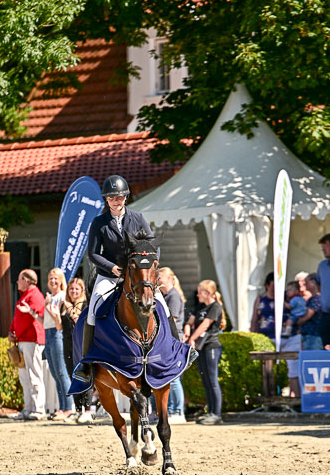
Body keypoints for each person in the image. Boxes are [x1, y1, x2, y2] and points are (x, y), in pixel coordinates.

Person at [74, 174, 174, 383]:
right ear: (106, 200)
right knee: (92, 310)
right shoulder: (99, 223)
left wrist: (149, 271)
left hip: (138, 277)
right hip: (110, 276)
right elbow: (93, 254)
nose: (116, 201)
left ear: (125, 197)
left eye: (119, 197)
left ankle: (176, 350)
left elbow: (152, 247)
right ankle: (86, 364)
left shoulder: (137, 218)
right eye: (112, 198)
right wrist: (112, 268)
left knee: (163, 306)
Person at [184, 279, 226, 425]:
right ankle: (210, 412)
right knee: (206, 380)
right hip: (200, 346)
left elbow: (205, 325)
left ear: (208, 293)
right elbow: (190, 322)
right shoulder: (200, 307)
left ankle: (216, 413)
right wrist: (188, 332)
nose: (197, 295)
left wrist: (192, 339)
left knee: (212, 380)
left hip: (211, 346)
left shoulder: (215, 307)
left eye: (200, 292)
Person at [53, 277, 93, 424]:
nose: (73, 291)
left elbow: (78, 320)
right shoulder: (64, 305)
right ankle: (78, 410)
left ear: (82, 290)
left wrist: (69, 307)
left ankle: (87, 411)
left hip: (82, 345)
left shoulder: (85, 305)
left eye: (76, 288)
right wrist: (54, 313)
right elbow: (59, 327)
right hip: (67, 343)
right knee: (73, 377)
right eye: (71, 289)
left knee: (85, 375)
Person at [8, 269, 46, 421]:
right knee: (25, 377)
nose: (17, 282)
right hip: (23, 340)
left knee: (34, 375)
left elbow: (37, 318)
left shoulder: (35, 295)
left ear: (26, 280)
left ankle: (39, 409)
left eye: (19, 279)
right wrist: (12, 331)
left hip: (32, 340)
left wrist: (16, 331)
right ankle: (28, 408)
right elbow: (18, 317)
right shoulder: (26, 295)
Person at [44, 268, 74, 420]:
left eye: (56, 278)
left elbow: (58, 322)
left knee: (62, 372)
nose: (53, 281)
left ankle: (68, 407)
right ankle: (62, 407)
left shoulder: (62, 297)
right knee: (55, 374)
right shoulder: (50, 297)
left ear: (61, 280)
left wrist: (48, 306)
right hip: (48, 333)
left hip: (57, 334)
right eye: (50, 278)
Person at [158, 266, 187, 424]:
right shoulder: (166, 295)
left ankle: (178, 411)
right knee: (167, 377)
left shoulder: (173, 297)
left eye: (159, 277)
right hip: (168, 338)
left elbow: (172, 321)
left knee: (173, 377)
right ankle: (170, 410)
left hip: (173, 339)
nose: (157, 280)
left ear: (169, 279)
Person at [298, 274, 323, 350]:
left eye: (307, 282)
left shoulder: (316, 299)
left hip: (313, 336)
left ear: (314, 282)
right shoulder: (313, 298)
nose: (305, 285)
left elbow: (308, 315)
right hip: (309, 335)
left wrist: (298, 321)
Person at [250, 272, 276, 340]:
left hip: (278, 335)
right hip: (263, 334)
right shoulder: (260, 299)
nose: (275, 288)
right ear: (267, 285)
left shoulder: (282, 299)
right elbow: (254, 317)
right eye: (273, 286)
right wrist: (253, 334)